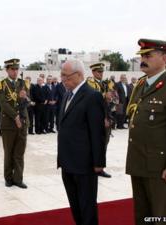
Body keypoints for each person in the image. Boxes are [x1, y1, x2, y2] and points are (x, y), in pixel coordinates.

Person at [126, 38, 166, 225]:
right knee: (142, 217)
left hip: (160, 168)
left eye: (148, 55)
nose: (143, 59)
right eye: (142, 56)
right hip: (138, 163)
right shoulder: (141, 85)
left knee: (161, 218)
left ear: (164, 58)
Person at [57, 60, 106, 225]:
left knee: (87, 208)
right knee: (75, 206)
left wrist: (99, 163)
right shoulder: (67, 94)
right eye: (62, 75)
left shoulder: (92, 96)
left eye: (65, 75)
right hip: (67, 162)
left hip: (84, 165)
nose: (62, 79)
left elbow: (97, 133)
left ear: (78, 75)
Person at [0, 58, 29, 189]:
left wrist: (23, 97)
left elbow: (27, 102)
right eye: (12, 69)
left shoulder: (24, 83)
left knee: (19, 153)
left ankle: (18, 178)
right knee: (9, 152)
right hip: (9, 124)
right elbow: (3, 104)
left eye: (16, 69)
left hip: (23, 121)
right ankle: (8, 178)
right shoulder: (1, 84)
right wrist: (15, 117)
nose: (15, 72)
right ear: (7, 70)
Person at [86, 63, 112, 178]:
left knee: (104, 143)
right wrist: (104, 96)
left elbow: (108, 101)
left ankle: (100, 167)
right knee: (95, 144)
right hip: (96, 118)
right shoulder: (90, 83)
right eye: (98, 72)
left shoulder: (104, 83)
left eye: (102, 72)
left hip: (106, 115)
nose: (101, 74)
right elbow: (92, 100)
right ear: (93, 72)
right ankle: (92, 167)